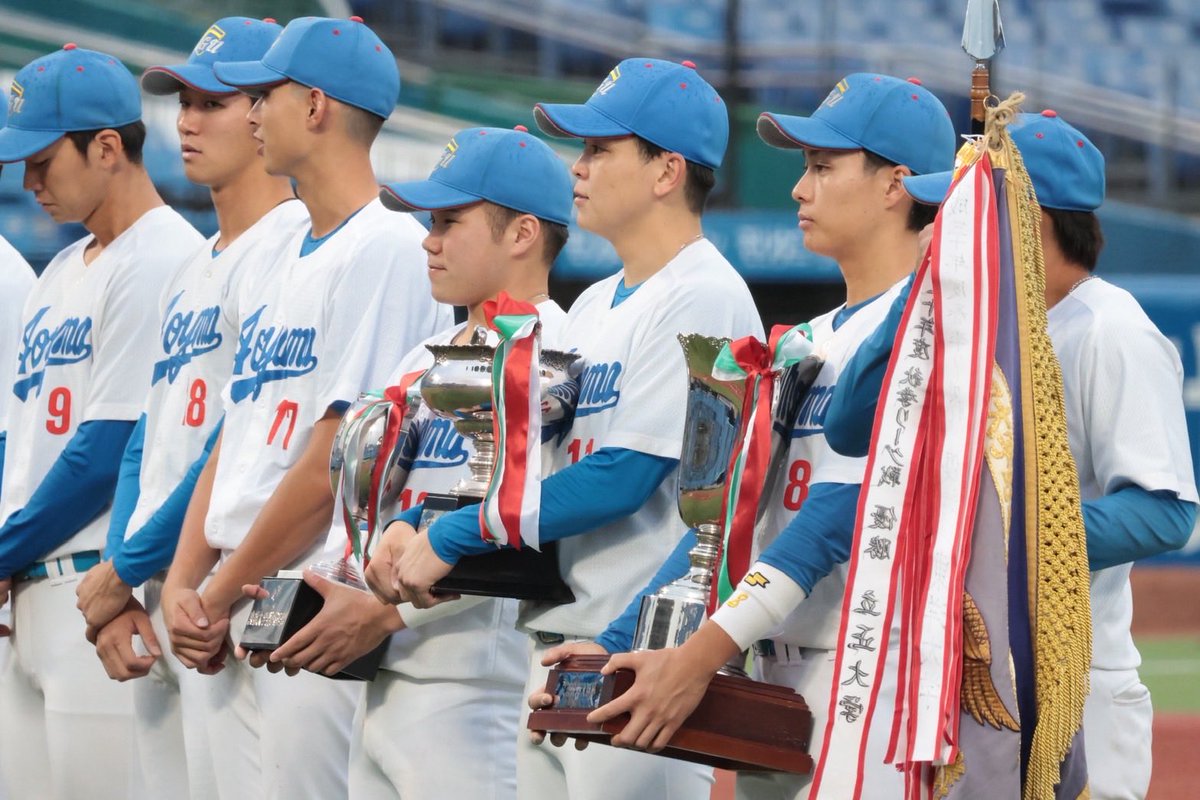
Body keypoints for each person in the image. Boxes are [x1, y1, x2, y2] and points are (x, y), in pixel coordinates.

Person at [535, 74, 956, 800]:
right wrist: (621, 640)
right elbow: (724, 526)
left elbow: (830, 524)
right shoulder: (809, 339)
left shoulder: (926, 333)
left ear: (895, 185)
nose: (799, 189)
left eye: (824, 167)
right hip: (774, 665)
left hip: (875, 673)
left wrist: (696, 658)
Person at [379, 57, 764, 800]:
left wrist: (452, 539)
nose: (578, 168)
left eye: (599, 149)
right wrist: (419, 521)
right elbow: (527, 472)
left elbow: (624, 476)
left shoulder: (708, 294)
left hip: (644, 652)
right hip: (558, 645)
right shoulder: (592, 307)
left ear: (666, 171)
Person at [837, 109, 1199, 800]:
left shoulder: (1110, 331)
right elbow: (852, 428)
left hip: (1072, 684)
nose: (944, 223)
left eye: (968, 208)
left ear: (1027, 224)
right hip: (956, 674)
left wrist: (997, 539)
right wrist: (917, 293)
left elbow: (1164, 513)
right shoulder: (967, 320)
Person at [160, 15, 451, 799]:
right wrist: (189, 584)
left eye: (265, 95)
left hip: (312, 593)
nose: (250, 112)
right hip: (234, 585)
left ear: (315, 106)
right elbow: (239, 427)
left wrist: (215, 594)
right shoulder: (281, 247)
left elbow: (336, 460)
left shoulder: (387, 247)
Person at [253, 123, 572, 799]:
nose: (429, 239)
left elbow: (528, 525)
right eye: (430, 222)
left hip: (481, 685)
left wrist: (388, 614)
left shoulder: (561, 351)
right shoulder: (421, 359)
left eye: (450, 221)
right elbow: (374, 515)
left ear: (522, 233)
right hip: (388, 676)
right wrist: (322, 600)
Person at [71, 17, 308, 799]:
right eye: (183, 101)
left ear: (264, 109)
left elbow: (237, 444)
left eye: (212, 100)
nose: (188, 120)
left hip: (231, 596)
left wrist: (134, 568)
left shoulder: (292, 245)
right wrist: (119, 576)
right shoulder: (197, 262)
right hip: (162, 592)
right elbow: (149, 433)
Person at [0, 44, 203, 799]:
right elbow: (20, 441)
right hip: (31, 590)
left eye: (43, 161)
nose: (27, 183)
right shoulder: (60, 269)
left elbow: (106, 448)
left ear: (108, 147)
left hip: (99, 589)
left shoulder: (163, 258)